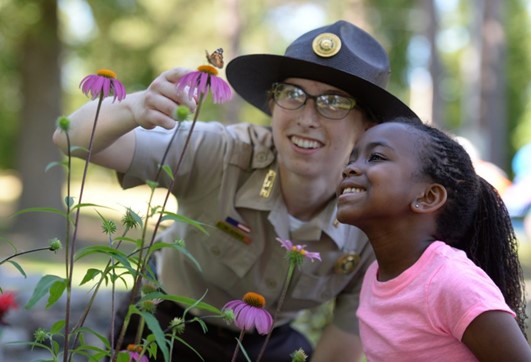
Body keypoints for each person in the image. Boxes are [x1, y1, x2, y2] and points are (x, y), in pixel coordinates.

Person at [53, 20, 418, 361]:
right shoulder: (222, 152)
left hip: (265, 346)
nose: (307, 118)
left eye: (334, 102)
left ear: (367, 125)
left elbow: (345, 335)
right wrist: (136, 107)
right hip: (163, 325)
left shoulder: (375, 217)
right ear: (272, 104)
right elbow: (72, 137)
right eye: (293, 94)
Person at [336, 119, 530, 361]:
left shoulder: (452, 281)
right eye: (351, 159)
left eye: (375, 157)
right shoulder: (373, 277)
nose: (349, 168)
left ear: (428, 197)